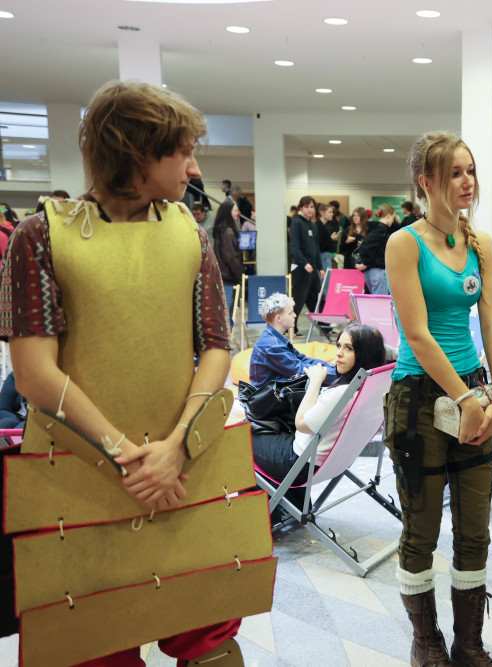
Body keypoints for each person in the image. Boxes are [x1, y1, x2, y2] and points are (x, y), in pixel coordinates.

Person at [0, 79, 268, 666]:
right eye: (184, 152)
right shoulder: (39, 234)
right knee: (89, 640)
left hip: (181, 468)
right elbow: (35, 373)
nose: (195, 168)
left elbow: (216, 347)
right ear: (138, 152)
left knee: (208, 631)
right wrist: (130, 456)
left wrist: (176, 447)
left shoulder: (189, 232)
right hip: (76, 475)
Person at [385, 131, 492, 667]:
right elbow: (416, 334)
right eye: (455, 172)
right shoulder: (404, 243)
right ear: (426, 181)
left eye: (471, 170)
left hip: (474, 390)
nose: (467, 181)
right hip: (419, 401)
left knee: (475, 530)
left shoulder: (481, 244)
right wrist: (467, 398)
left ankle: (469, 643)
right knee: (422, 531)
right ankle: (426, 642)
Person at [252, 324, 383, 485]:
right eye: (339, 346)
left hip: (299, 464)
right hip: (335, 463)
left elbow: (302, 425)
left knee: (243, 432)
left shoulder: (341, 394)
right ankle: (285, 500)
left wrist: (315, 381)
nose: (339, 353)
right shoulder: (372, 390)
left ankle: (255, 499)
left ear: (366, 354)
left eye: (348, 348)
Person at [249, 293, 337, 387]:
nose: (295, 315)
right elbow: (301, 370)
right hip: (271, 394)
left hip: (279, 388)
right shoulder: (272, 345)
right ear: (278, 318)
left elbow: (303, 359)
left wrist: (334, 368)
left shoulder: (275, 339)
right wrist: (339, 374)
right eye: (290, 313)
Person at [289, 196, 324, 334]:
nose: (310, 209)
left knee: (316, 298)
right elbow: (294, 247)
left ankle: (324, 325)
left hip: (313, 268)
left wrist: (320, 267)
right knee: (298, 299)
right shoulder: (297, 222)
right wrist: (304, 263)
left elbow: (316, 248)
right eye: (307, 207)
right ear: (301, 208)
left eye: (312, 207)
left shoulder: (313, 225)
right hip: (300, 268)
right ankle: (291, 328)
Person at [355, 203, 397, 295]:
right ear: (388, 216)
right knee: (380, 302)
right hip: (378, 272)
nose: (393, 220)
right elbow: (365, 246)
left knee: (376, 301)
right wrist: (366, 262)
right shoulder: (381, 230)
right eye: (393, 217)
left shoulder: (376, 229)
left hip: (373, 272)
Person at [213, 199, 244, 286]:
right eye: (235, 211)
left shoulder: (220, 230)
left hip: (223, 276)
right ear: (228, 213)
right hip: (230, 278)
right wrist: (241, 277)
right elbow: (231, 257)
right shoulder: (228, 232)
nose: (238, 213)